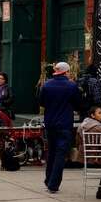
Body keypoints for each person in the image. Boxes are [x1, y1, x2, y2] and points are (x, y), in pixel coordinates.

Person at [39, 61, 81, 194]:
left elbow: (41, 102)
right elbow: (78, 104)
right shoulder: (71, 86)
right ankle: (53, 184)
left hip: (50, 123)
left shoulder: (46, 85)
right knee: (60, 154)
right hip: (64, 124)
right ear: (66, 72)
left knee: (51, 152)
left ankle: (48, 179)